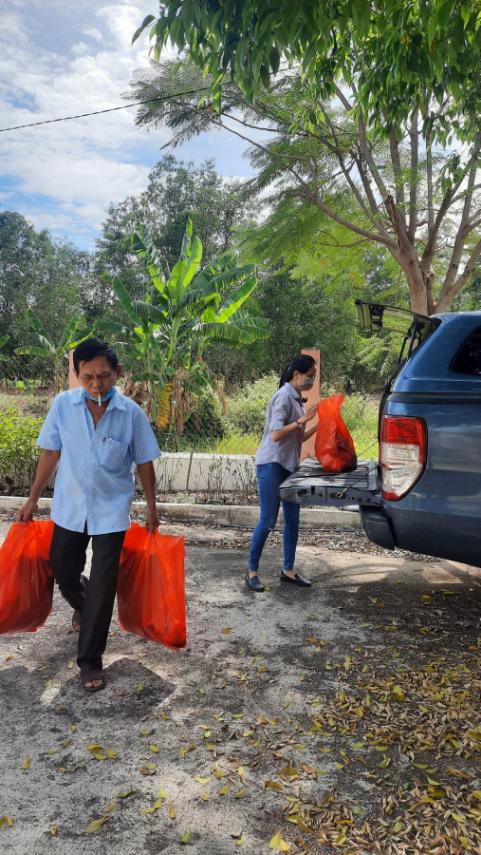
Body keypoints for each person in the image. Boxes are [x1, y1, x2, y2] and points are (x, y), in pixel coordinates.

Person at [17, 338, 161, 693]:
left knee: (104, 582)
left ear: (118, 373)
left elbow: (144, 462)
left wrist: (153, 508)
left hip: (111, 511)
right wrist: (33, 499)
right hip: (69, 505)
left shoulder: (131, 414)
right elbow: (50, 454)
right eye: (88, 377)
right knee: (62, 569)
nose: (97, 384)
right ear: (76, 374)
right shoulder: (63, 407)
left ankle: (90, 660)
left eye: (104, 376)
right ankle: (85, 605)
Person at [246, 354, 318, 592]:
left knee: (293, 521)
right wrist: (302, 420)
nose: (311, 381)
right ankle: (251, 572)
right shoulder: (284, 397)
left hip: (290, 465)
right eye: (309, 376)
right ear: (296, 375)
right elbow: (276, 434)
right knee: (267, 520)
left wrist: (319, 423)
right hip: (272, 464)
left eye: (313, 378)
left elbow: (298, 437)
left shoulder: (298, 400)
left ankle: (288, 571)